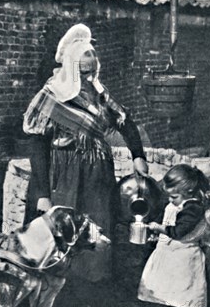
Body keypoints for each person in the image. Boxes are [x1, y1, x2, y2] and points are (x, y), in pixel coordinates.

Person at [23, 24, 148, 282]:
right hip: (64, 176)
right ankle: (62, 299)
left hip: (97, 178)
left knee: (96, 232)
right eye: (84, 73)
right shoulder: (51, 96)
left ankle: (94, 294)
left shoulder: (99, 94)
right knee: (62, 232)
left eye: (92, 72)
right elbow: (37, 149)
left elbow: (126, 121)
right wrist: (42, 195)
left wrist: (138, 155)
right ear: (71, 68)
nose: (90, 77)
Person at [138, 164, 210, 307]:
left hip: (186, 259)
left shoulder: (193, 208)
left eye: (174, 197)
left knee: (188, 300)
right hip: (173, 257)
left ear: (188, 192)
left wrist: (159, 228)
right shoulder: (179, 203)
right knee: (172, 297)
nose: (170, 200)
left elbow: (178, 231)